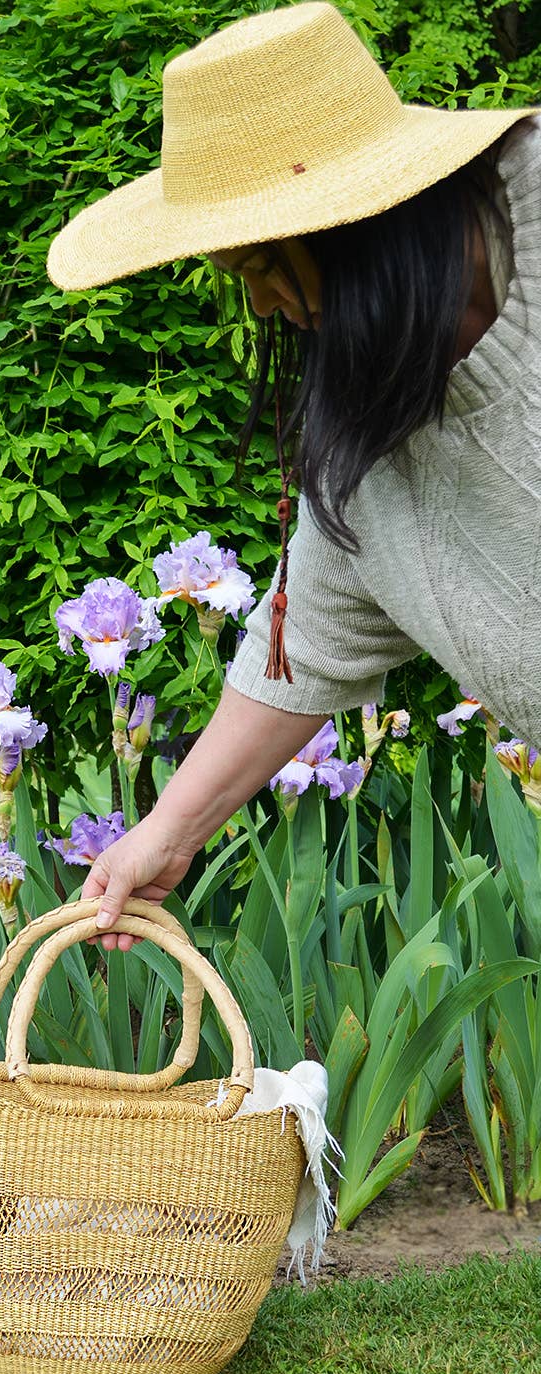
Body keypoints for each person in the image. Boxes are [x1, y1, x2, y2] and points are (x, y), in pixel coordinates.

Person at [46, 1, 540, 948]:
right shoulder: (375, 430)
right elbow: (306, 641)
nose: (263, 303)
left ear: (366, 218)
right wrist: (166, 833)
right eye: (240, 272)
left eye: (270, 261)